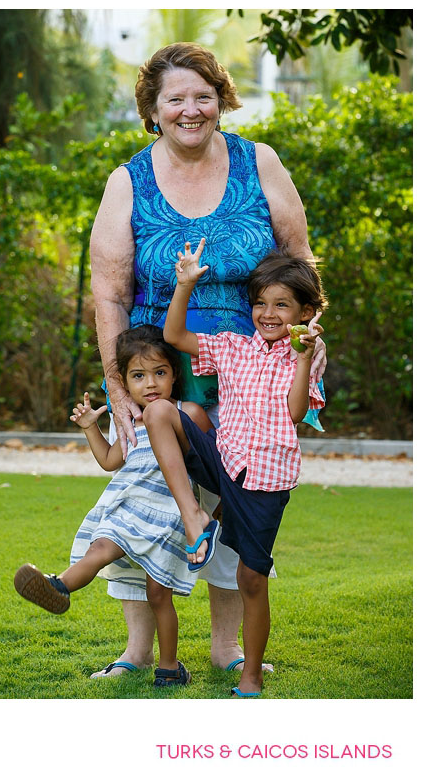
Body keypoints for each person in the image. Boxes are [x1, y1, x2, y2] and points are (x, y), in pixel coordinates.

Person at [88, 41, 325, 676]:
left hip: (249, 372)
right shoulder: (127, 181)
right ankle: (138, 651)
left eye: (202, 95)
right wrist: (118, 391)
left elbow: (301, 266)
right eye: (176, 99)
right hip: (156, 368)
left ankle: (226, 648)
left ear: (219, 98)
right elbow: (109, 293)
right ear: (153, 109)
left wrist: (307, 347)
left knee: (232, 499)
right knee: (145, 496)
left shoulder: (259, 162)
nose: (190, 109)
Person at [145, 242, 326, 696]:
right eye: (260, 303)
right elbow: (175, 335)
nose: (268, 313)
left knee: (251, 577)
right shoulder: (233, 348)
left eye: (281, 305)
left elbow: (295, 412)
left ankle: (250, 676)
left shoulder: (305, 355)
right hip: (226, 463)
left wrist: (303, 360)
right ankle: (198, 518)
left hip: (265, 481)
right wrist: (185, 284)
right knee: (161, 413)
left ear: (305, 311)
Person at [15, 326, 212, 688]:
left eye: (159, 373)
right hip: (126, 505)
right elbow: (109, 461)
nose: (150, 384)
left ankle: (169, 666)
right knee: (99, 548)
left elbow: (210, 460)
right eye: (138, 376)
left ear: (174, 374)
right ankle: (57, 587)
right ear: (123, 382)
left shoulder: (188, 412)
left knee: (158, 593)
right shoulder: (128, 420)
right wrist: (92, 427)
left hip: (169, 514)